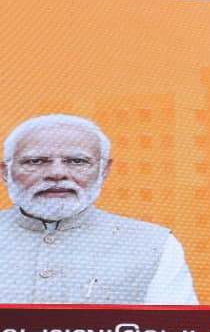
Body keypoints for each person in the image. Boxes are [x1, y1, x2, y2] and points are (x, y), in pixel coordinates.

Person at [1, 114, 197, 304]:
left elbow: (176, 325)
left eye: (77, 161)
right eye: (36, 161)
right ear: (5, 172)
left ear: (104, 171)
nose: (57, 173)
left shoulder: (154, 243)